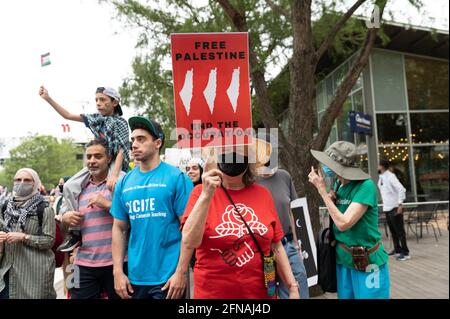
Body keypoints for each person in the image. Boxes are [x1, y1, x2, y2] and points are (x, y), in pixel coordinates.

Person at [181, 141, 300, 299]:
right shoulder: (199, 194)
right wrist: (206, 195)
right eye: (226, 150)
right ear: (217, 157)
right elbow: (189, 241)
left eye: (239, 150)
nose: (232, 155)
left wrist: (292, 287)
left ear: (249, 158)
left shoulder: (263, 195)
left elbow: (276, 245)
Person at [39, 85, 130, 252]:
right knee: (69, 185)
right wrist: (48, 98)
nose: (98, 103)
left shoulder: (121, 123)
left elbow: (122, 151)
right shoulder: (95, 119)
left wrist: (115, 174)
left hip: (115, 163)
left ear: (114, 102)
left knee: (116, 186)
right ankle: (75, 233)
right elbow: (67, 115)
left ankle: (124, 227)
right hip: (99, 161)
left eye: (103, 100)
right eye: (96, 100)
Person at [111, 116, 193, 299]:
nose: (134, 144)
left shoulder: (178, 178)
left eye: (141, 139)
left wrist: (181, 272)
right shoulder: (124, 182)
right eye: (133, 140)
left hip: (168, 280)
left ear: (157, 143)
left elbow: (188, 230)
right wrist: (117, 271)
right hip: (134, 279)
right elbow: (119, 227)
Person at [308, 141, 390, 299]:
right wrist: (331, 198)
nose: (326, 167)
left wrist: (322, 192)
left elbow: (344, 223)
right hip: (343, 259)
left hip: (368, 262)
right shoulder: (339, 184)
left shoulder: (365, 186)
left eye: (329, 164)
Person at [60, 139, 124, 299]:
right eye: (88, 157)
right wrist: (66, 218)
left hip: (118, 264)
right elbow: (63, 230)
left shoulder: (120, 182)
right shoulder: (76, 188)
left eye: (97, 156)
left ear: (109, 158)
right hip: (83, 264)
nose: (92, 161)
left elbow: (133, 218)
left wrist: (108, 204)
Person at [255, 134, 309, 299]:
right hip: (261, 249)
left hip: (287, 245)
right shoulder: (248, 180)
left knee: (298, 286)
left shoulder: (284, 176)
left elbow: (292, 212)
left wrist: (298, 246)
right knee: (267, 292)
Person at [0, 168, 56, 299]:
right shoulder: (5, 207)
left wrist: (24, 237)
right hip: (7, 271)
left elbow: (49, 241)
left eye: (27, 180)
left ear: (35, 183)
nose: (21, 183)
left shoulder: (44, 209)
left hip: (33, 275)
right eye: (18, 180)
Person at [377, 159, 409, 261]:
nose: (377, 166)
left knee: (400, 231)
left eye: (378, 165)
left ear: (382, 166)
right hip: (387, 207)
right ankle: (397, 249)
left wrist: (400, 204)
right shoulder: (381, 177)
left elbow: (401, 189)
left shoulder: (390, 176)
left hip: (395, 207)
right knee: (393, 231)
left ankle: (405, 252)